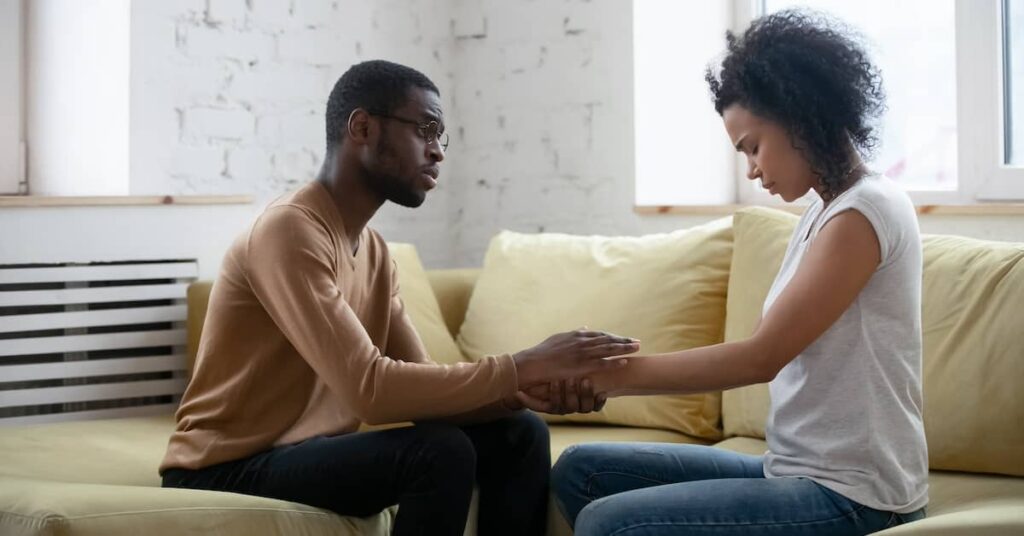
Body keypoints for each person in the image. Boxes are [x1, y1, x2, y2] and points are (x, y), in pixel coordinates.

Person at [160, 59, 638, 536]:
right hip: (226, 464)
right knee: (440, 453)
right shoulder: (290, 229)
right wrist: (522, 366)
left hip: (302, 453)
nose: (438, 152)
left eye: (440, 136)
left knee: (520, 432)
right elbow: (370, 390)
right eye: (426, 129)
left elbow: (428, 391)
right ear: (362, 127)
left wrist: (524, 393)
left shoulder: (373, 250)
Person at [551, 10, 928, 536]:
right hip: (794, 470)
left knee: (607, 522)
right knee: (581, 472)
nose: (750, 168)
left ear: (800, 116)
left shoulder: (864, 213)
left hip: (856, 497)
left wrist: (609, 376)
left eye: (753, 146)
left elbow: (761, 357)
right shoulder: (826, 209)